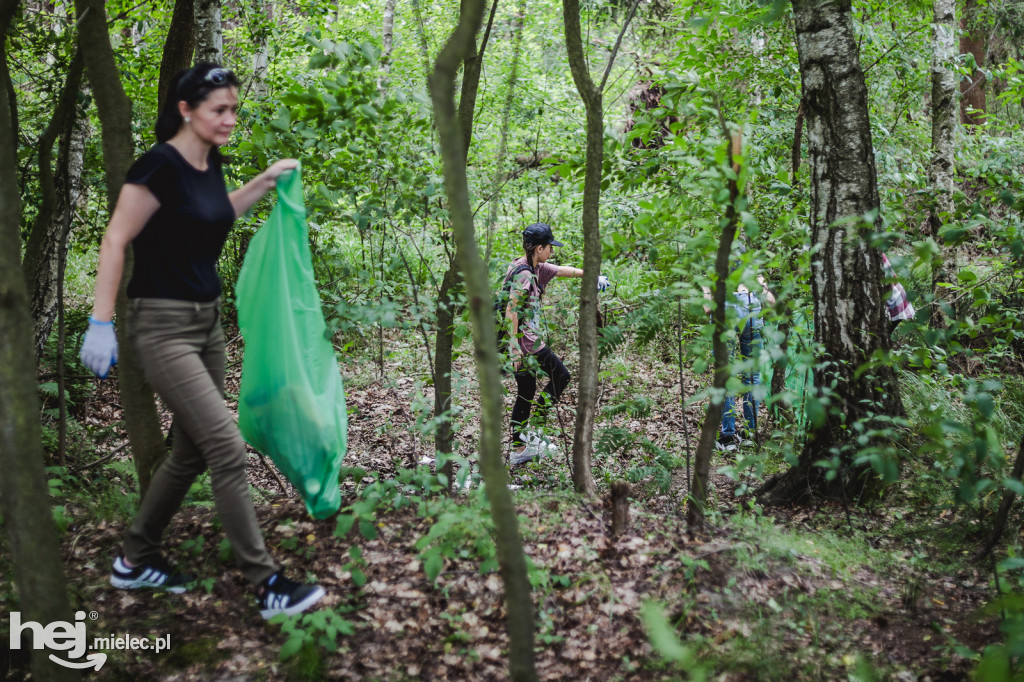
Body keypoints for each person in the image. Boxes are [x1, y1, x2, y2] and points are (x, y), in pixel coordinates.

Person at [79, 63, 324, 620]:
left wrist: (262, 183)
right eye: (220, 109)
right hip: (162, 327)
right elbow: (116, 237)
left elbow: (215, 216)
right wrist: (100, 321)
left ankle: (134, 558)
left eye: (235, 109)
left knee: (189, 451)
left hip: (206, 324)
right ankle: (268, 585)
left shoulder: (208, 162)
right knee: (224, 446)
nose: (230, 119)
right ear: (186, 110)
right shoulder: (158, 166)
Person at [504, 222, 609, 466]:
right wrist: (514, 347)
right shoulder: (524, 274)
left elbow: (564, 270)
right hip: (526, 344)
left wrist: (592, 276)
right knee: (561, 377)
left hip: (527, 341)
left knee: (526, 392)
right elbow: (511, 311)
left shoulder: (534, 266)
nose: (552, 251)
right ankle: (533, 432)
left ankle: (520, 447)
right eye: (550, 247)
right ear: (539, 248)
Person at [702, 245, 775, 451]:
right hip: (750, 307)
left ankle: (727, 437)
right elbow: (770, 301)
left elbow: (707, 307)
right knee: (751, 376)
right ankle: (750, 433)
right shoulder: (753, 273)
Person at [882, 253, 915, 332]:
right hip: (897, 297)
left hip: (897, 299)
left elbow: (889, 277)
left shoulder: (879, 256)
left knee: (885, 332)